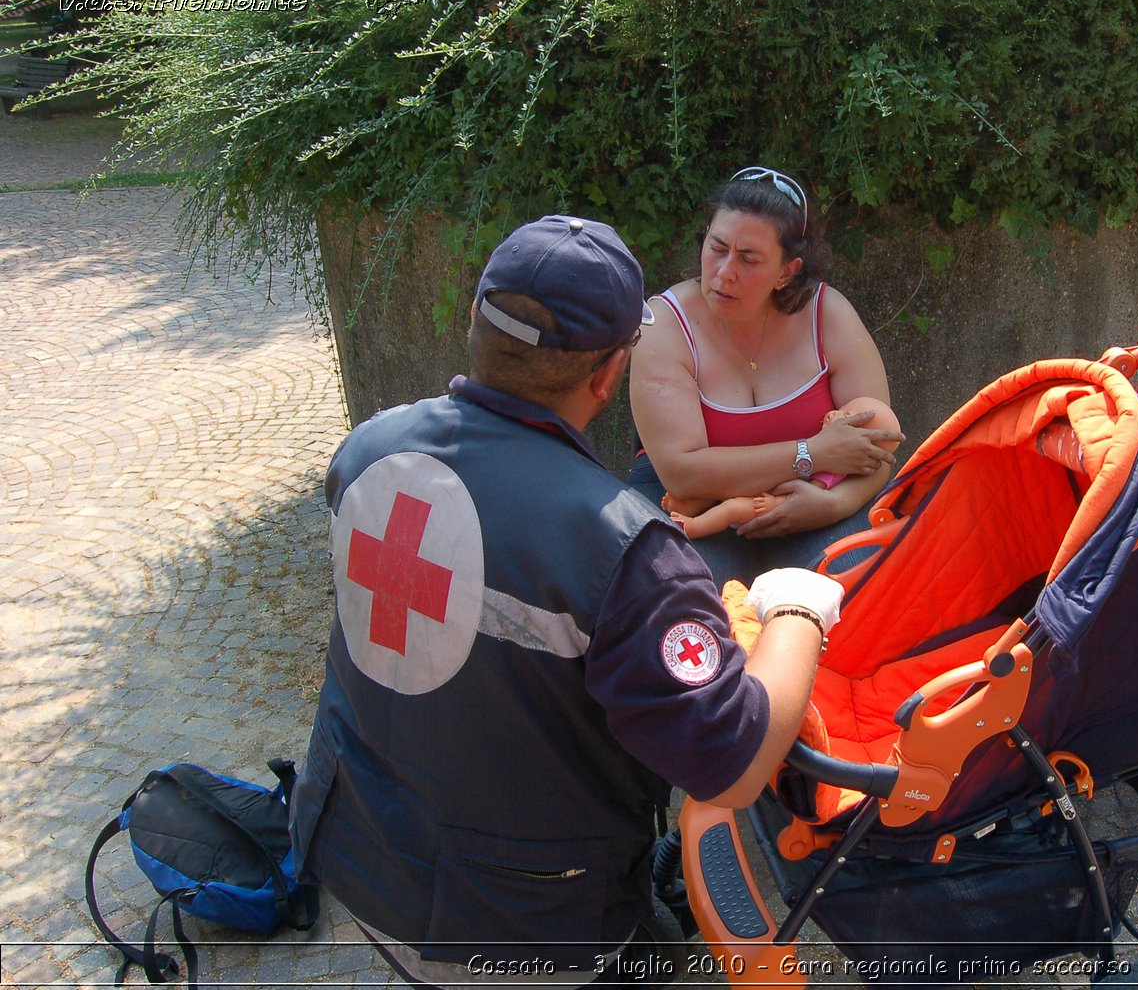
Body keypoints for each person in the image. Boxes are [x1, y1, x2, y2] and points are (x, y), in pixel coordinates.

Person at [288, 215, 845, 989]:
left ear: (474, 325)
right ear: (609, 376)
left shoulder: (369, 449)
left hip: (355, 851)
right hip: (525, 929)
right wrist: (796, 610)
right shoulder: (624, 553)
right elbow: (734, 764)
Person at [628, 166, 904, 586]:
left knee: (865, 580)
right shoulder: (663, 324)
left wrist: (834, 505)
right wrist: (813, 452)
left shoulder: (829, 315)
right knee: (688, 598)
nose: (723, 272)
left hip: (816, 496)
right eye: (717, 248)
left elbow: (878, 445)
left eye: (748, 259)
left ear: (787, 271)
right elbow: (681, 473)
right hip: (693, 505)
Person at [664, 397, 901, 539]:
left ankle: (693, 527)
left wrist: (775, 504)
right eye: (843, 407)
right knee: (721, 491)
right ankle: (689, 506)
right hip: (762, 483)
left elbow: (806, 493)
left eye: (847, 416)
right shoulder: (822, 439)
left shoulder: (835, 469)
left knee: (732, 507)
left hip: (770, 500)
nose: (836, 412)